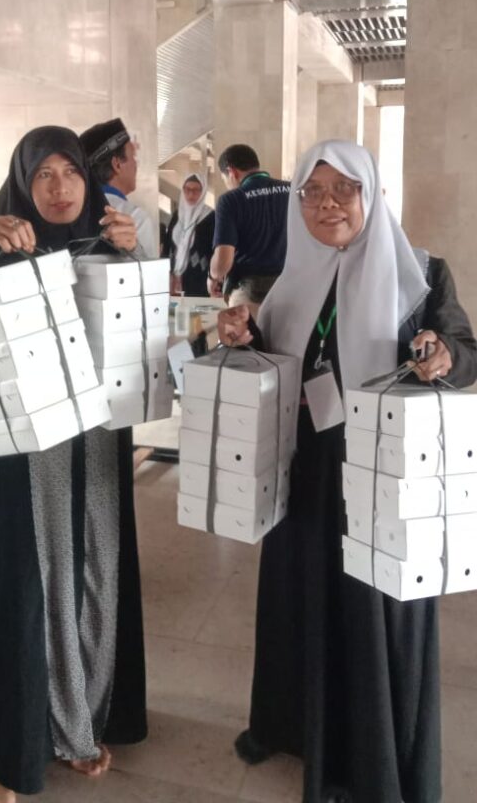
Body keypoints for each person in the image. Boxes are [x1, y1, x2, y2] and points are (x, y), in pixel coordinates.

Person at [217, 139, 477, 803]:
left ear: (371, 195)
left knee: (374, 611)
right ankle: (299, 729)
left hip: (382, 475)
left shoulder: (420, 274)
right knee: (304, 601)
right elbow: (279, 355)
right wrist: (242, 333)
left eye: (344, 190)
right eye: (313, 191)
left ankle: (373, 758)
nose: (327, 204)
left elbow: (467, 351)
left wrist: (444, 355)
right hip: (306, 473)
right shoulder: (289, 279)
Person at [0, 126, 147, 803]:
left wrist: (137, 259)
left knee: (94, 574)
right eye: (43, 174)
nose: (58, 188)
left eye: (70, 172)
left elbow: (147, 335)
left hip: (95, 443)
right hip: (20, 449)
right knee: (20, 592)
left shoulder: (109, 242)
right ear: (22, 182)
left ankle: (81, 724)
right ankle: (3, 761)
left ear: (89, 178)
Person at [208, 143, 290, 316]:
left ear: (232, 172)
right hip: (291, 291)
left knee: (245, 335)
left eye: (225, 179)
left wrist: (212, 276)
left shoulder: (231, 200)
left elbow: (223, 263)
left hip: (250, 295)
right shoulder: (291, 191)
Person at [80, 118, 156, 258]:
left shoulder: (74, 212)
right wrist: (135, 249)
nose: (136, 164)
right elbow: (149, 271)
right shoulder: (135, 217)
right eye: (133, 156)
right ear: (117, 164)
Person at [162, 173, 215, 297]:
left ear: (203, 192)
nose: (191, 194)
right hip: (174, 277)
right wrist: (165, 272)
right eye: (187, 189)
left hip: (199, 278)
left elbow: (214, 250)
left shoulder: (210, 217)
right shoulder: (177, 215)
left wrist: (213, 278)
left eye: (196, 190)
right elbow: (167, 246)